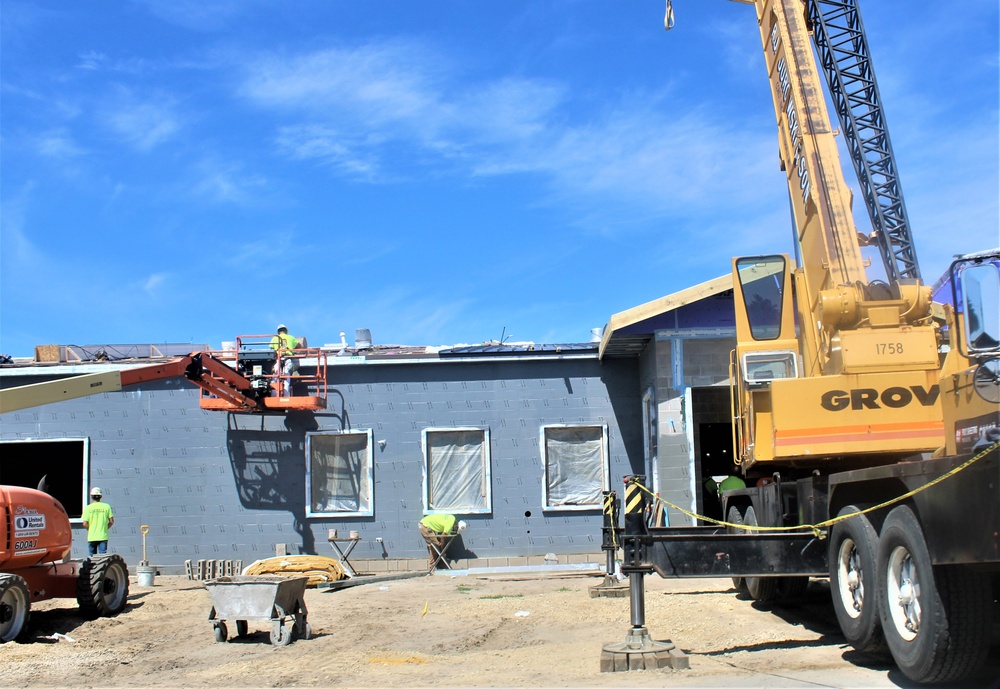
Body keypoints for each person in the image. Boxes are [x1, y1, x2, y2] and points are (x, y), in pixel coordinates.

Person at [81, 487, 114, 556]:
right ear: (101, 496)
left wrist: (89, 529)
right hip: (103, 536)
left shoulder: (88, 508)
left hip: (92, 536)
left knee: (91, 558)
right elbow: (111, 521)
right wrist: (105, 528)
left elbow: (84, 524)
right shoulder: (106, 506)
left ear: (91, 496)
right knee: (102, 557)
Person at [269, 324, 300, 396]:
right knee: (286, 375)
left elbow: (271, 349)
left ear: (278, 332)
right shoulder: (291, 338)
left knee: (276, 375)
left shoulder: (275, 338)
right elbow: (299, 346)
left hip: (278, 358)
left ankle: (274, 395)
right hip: (287, 358)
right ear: (286, 331)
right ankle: (286, 395)